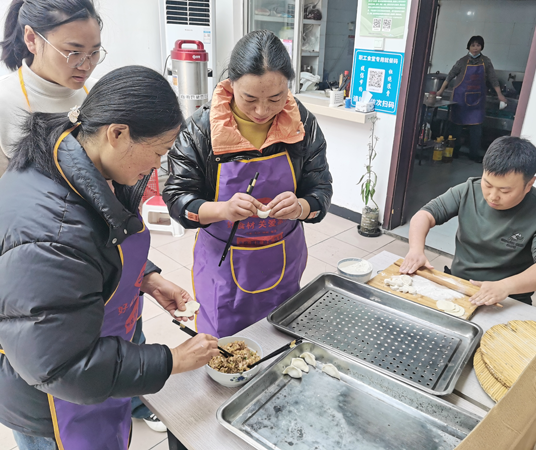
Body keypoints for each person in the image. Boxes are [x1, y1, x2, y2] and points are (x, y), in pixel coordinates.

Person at [0, 65, 220, 450]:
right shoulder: (53, 231)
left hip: (88, 357)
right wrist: (172, 360)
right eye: (158, 153)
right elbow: (64, 366)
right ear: (117, 133)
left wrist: (146, 278)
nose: (156, 167)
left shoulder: (77, 162)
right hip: (53, 399)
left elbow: (97, 245)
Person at [163, 30, 333, 338]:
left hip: (283, 257)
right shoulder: (202, 130)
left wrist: (301, 207)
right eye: (250, 99)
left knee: (280, 339)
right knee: (224, 348)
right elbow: (177, 199)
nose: (262, 111)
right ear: (231, 84)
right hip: (223, 267)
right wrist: (223, 210)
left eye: (275, 98)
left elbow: (320, 190)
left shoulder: (302, 124)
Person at [399, 136, 536, 306]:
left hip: (508, 298)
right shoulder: (469, 190)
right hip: (458, 286)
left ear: (529, 184)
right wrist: (415, 250)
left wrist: (505, 286)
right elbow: (425, 215)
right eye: (487, 185)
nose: (493, 196)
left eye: (505, 191)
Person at [0, 0, 104, 177]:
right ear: (31, 39)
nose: (86, 66)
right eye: (74, 52)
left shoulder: (101, 92)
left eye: (94, 52)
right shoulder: (4, 100)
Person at [436, 36, 507, 163]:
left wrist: (499, 94)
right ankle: (454, 151)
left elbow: (493, 78)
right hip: (460, 100)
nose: (475, 48)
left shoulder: (486, 61)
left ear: (482, 47)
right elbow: (450, 76)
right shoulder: (462, 61)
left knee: (476, 130)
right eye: (473, 45)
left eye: (478, 45)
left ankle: (474, 154)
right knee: (456, 128)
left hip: (477, 101)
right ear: (468, 47)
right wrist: (441, 90)